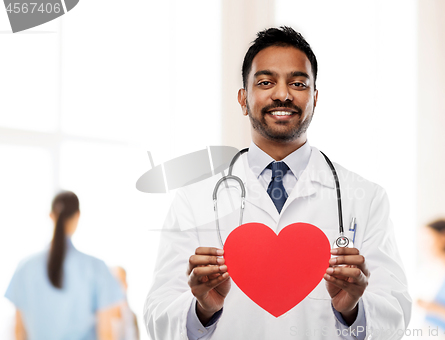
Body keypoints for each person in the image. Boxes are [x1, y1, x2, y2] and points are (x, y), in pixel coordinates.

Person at [144, 26, 411, 340]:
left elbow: (395, 316)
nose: (283, 94)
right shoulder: (195, 198)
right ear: (244, 99)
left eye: (298, 83)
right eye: (266, 82)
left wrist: (352, 309)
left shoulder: (366, 198)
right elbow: (157, 315)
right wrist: (202, 309)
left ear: (315, 98)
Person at [4, 191, 124, 340]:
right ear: (78, 216)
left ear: (51, 216)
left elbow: (19, 332)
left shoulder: (25, 268)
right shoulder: (96, 268)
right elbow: (106, 333)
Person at [111, 266, 141, 340]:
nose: (125, 284)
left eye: (124, 280)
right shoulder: (100, 317)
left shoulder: (132, 316)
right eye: (119, 280)